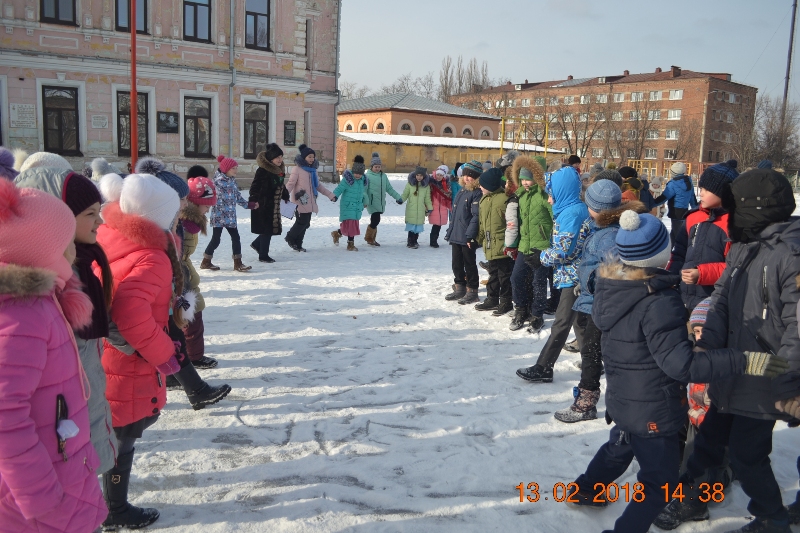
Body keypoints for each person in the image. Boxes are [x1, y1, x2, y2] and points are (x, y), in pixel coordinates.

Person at [567, 209, 789, 533]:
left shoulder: (612, 286)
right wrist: (743, 360)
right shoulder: (658, 301)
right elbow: (682, 365)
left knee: (621, 444)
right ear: (662, 253)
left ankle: (586, 489)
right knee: (659, 484)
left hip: (624, 399)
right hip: (653, 410)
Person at [655, 168, 800, 533]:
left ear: (755, 208)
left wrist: (789, 379)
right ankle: (694, 499)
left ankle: (772, 518)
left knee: (747, 455)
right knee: (707, 442)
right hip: (730, 367)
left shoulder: (790, 255)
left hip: (766, 373)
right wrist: (706, 345)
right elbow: (720, 300)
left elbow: (797, 326)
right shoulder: (744, 246)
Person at [0, 178, 108, 533]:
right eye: (65, 242)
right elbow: (5, 415)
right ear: (44, 249)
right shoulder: (21, 315)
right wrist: (40, 495)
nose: (73, 249)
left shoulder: (44, 302)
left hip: (62, 469)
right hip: (40, 499)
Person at [95, 173, 187, 529]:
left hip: (109, 353)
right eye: (173, 215)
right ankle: (115, 510)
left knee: (114, 431)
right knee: (124, 437)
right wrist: (165, 354)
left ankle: (109, 504)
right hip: (131, 362)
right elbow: (131, 314)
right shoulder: (152, 257)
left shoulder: (111, 235)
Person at [14, 167, 118, 475]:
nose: (100, 221)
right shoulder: (45, 288)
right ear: (56, 218)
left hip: (79, 422)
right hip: (60, 438)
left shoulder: (79, 264)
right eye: (90, 214)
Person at [553, 180, 646, 423]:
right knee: (593, 351)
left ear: (594, 208)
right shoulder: (601, 229)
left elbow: (612, 270)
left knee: (593, 353)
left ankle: (587, 402)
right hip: (595, 299)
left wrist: (592, 283)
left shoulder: (607, 236)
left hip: (602, 303)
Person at [516, 164, 588, 383]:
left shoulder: (571, 214)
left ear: (562, 192)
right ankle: (592, 363)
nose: (549, 200)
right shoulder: (570, 209)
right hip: (575, 273)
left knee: (562, 322)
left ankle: (544, 367)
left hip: (574, 276)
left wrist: (541, 257)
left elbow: (565, 249)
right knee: (580, 322)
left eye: (551, 194)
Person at [666, 162, 735, 319]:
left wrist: (703, 274)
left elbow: (736, 266)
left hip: (715, 302)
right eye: (701, 188)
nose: (701, 193)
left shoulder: (733, 223)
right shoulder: (693, 217)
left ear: (723, 193)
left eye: (706, 190)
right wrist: (671, 277)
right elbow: (679, 252)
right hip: (684, 296)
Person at [504, 155, 553, 332]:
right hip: (524, 246)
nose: (525, 182)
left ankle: (537, 315)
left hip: (541, 247)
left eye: (528, 179)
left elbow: (555, 221)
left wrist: (548, 246)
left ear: (537, 178)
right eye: (522, 179)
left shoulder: (545, 196)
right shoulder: (521, 196)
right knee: (516, 278)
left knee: (538, 282)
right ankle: (521, 309)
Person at [180, 175, 218, 366]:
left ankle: (191, 354)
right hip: (181, 275)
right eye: (206, 206)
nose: (208, 210)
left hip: (184, 271)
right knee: (192, 316)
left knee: (191, 315)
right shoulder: (184, 224)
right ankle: (193, 357)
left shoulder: (191, 222)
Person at [203, 155, 257, 271]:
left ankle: (238, 263)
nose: (236, 170)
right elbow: (208, 196)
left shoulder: (232, 181)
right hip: (219, 216)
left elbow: (237, 196)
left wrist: (249, 205)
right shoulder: (216, 182)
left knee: (236, 238)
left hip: (230, 216)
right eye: (233, 168)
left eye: (236, 168)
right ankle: (206, 261)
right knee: (216, 240)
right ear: (226, 169)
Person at [474, 167, 514, 315]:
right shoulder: (484, 199)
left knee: (504, 276)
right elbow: (482, 223)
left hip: (503, 245)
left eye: (482, 185)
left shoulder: (504, 199)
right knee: (493, 273)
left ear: (490, 185)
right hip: (490, 243)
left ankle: (506, 301)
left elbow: (511, 222)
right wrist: (479, 238)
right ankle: (492, 298)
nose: (480, 187)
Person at [445, 160, 483, 304]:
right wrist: (451, 230)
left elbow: (476, 216)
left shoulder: (477, 193)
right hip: (457, 234)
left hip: (467, 236)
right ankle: (459, 286)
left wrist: (470, 235)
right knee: (456, 263)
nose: (467, 178)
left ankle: (472, 290)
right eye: (466, 175)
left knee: (469, 263)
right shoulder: (462, 190)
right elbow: (456, 214)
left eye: (471, 176)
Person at [285, 144, 336, 252]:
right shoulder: (297, 169)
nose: (312, 159)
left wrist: (330, 195)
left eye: (313, 157)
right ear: (304, 157)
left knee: (306, 224)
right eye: (309, 157)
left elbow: (318, 186)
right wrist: (283, 194)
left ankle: (298, 244)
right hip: (300, 200)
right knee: (301, 222)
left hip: (310, 200)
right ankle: (290, 237)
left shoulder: (313, 170)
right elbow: (291, 183)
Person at [250, 143, 289, 263]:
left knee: (269, 229)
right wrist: (253, 199)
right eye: (277, 157)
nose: (280, 160)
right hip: (263, 204)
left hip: (273, 205)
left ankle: (257, 244)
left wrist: (285, 195)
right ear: (271, 159)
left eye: (281, 157)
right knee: (267, 230)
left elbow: (280, 185)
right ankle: (263, 255)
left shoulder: (278, 171)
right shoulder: (263, 171)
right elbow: (255, 186)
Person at [654, 162, 703, 243]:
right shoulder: (688, 182)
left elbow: (664, 197)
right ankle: (670, 249)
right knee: (675, 233)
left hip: (675, 211)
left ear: (673, 172)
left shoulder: (673, 184)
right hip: (684, 211)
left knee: (678, 236)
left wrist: (652, 203)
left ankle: (682, 250)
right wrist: (696, 208)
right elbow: (692, 198)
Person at [363, 152, 402, 247]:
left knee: (375, 221)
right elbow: (364, 190)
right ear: (372, 167)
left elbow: (389, 188)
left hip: (380, 202)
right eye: (375, 167)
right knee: (376, 220)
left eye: (379, 167)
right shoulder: (367, 176)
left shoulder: (383, 176)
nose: (377, 168)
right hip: (372, 202)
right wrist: (365, 201)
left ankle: (371, 239)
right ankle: (369, 238)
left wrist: (398, 197)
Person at [331, 155, 367, 252]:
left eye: (360, 174)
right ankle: (350, 245)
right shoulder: (348, 179)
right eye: (356, 173)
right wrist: (334, 196)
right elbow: (339, 188)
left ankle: (337, 233)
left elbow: (364, 193)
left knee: (348, 226)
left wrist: (365, 202)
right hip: (347, 206)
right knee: (351, 226)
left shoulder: (362, 181)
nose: (357, 175)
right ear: (353, 171)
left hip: (357, 206)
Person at [401, 167, 432, 249]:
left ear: (424, 176)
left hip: (421, 209)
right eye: (417, 175)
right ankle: (410, 242)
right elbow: (405, 194)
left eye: (421, 176)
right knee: (411, 226)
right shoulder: (410, 184)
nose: (419, 177)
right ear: (415, 175)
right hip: (411, 209)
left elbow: (427, 199)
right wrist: (401, 200)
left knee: (417, 227)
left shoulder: (426, 187)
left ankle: (415, 241)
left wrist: (430, 208)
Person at [428, 164, 451, 248]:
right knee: (436, 225)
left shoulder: (446, 185)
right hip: (434, 206)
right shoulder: (431, 183)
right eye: (438, 174)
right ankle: (433, 241)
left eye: (441, 175)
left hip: (443, 207)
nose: (439, 177)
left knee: (438, 225)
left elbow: (449, 195)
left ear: (444, 176)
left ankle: (434, 240)